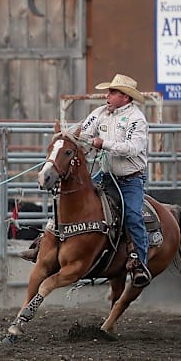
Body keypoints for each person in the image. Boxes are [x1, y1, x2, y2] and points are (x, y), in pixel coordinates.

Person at [80, 73, 150, 288]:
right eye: (108, 91)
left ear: (126, 98)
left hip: (130, 179)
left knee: (132, 215)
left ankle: (140, 263)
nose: (107, 96)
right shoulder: (99, 113)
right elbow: (84, 133)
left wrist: (102, 144)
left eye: (113, 92)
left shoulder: (136, 119)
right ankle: (46, 241)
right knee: (74, 198)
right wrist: (81, 143)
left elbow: (132, 149)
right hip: (105, 174)